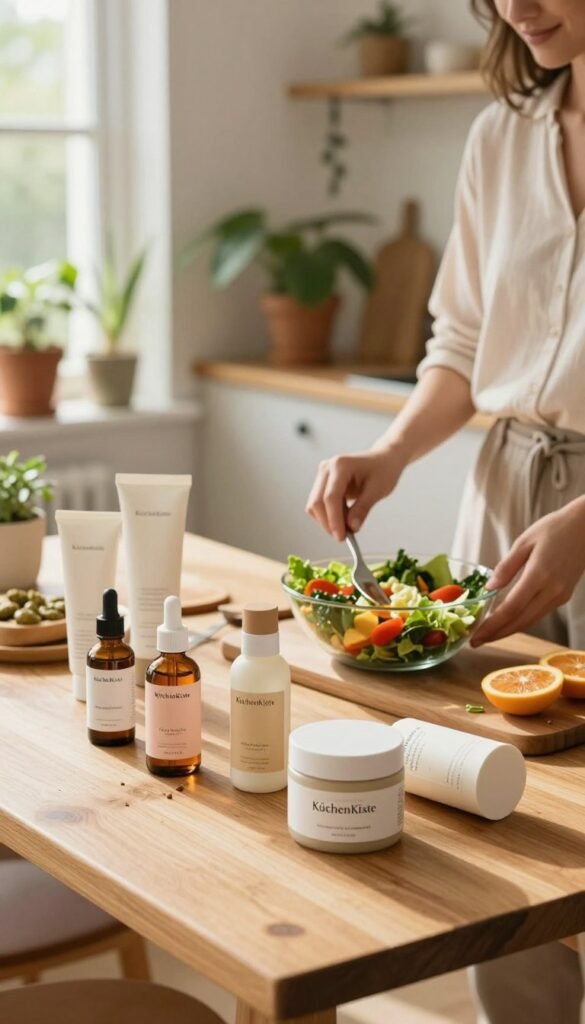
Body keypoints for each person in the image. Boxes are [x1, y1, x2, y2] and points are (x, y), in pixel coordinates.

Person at [306, 1, 585, 1021]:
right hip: (506, 494)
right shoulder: (500, 137)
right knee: (502, 825)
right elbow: (461, 347)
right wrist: (388, 451)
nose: (518, 4)